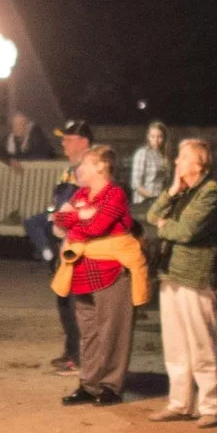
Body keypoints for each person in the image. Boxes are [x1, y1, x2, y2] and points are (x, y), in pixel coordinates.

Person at [51, 144, 144, 406]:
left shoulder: (115, 194)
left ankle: (110, 386)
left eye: (84, 164)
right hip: (85, 272)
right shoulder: (82, 194)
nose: (78, 169)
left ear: (101, 166)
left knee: (113, 330)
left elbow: (96, 226)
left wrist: (75, 219)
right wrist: (82, 215)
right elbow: (58, 221)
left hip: (112, 271)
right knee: (89, 331)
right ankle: (89, 384)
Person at [148, 138, 217, 426]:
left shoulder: (211, 191)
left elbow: (187, 231)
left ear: (199, 163)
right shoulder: (182, 192)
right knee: (175, 345)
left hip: (196, 275)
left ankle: (210, 406)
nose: (177, 162)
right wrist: (171, 192)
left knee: (201, 343)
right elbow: (152, 215)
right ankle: (179, 403)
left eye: (183, 158)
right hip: (171, 274)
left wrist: (164, 227)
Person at [37, 120, 96, 371]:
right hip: (65, 240)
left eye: (69, 138)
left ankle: (83, 357)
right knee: (63, 298)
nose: (63, 142)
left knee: (78, 302)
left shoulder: (92, 168)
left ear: (83, 141)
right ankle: (72, 351)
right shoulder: (70, 170)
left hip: (81, 243)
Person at [129, 121, 172, 213]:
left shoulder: (164, 156)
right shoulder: (142, 154)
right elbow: (136, 184)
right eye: (153, 136)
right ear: (148, 137)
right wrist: (152, 197)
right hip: (144, 203)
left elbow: (166, 182)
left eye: (159, 136)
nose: (156, 140)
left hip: (160, 203)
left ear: (164, 138)